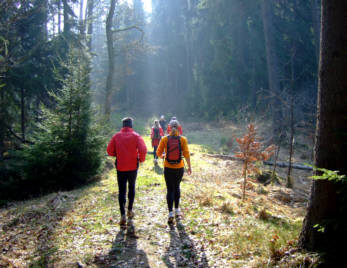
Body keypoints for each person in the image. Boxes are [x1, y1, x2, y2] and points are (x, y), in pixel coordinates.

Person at [107, 117, 147, 227]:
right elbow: (143, 149)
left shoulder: (116, 136)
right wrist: (141, 159)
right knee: (132, 187)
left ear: (123, 125)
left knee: (121, 190)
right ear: (131, 125)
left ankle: (122, 214)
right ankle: (130, 210)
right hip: (133, 166)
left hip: (120, 166)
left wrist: (117, 153)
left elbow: (109, 151)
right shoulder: (136, 136)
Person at [157, 120, 192, 225]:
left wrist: (164, 156)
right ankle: (177, 210)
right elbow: (186, 154)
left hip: (168, 167)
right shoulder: (183, 139)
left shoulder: (164, 139)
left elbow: (158, 152)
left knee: (170, 189)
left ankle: (170, 213)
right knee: (177, 187)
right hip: (179, 168)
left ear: (169, 127)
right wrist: (189, 167)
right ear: (179, 127)